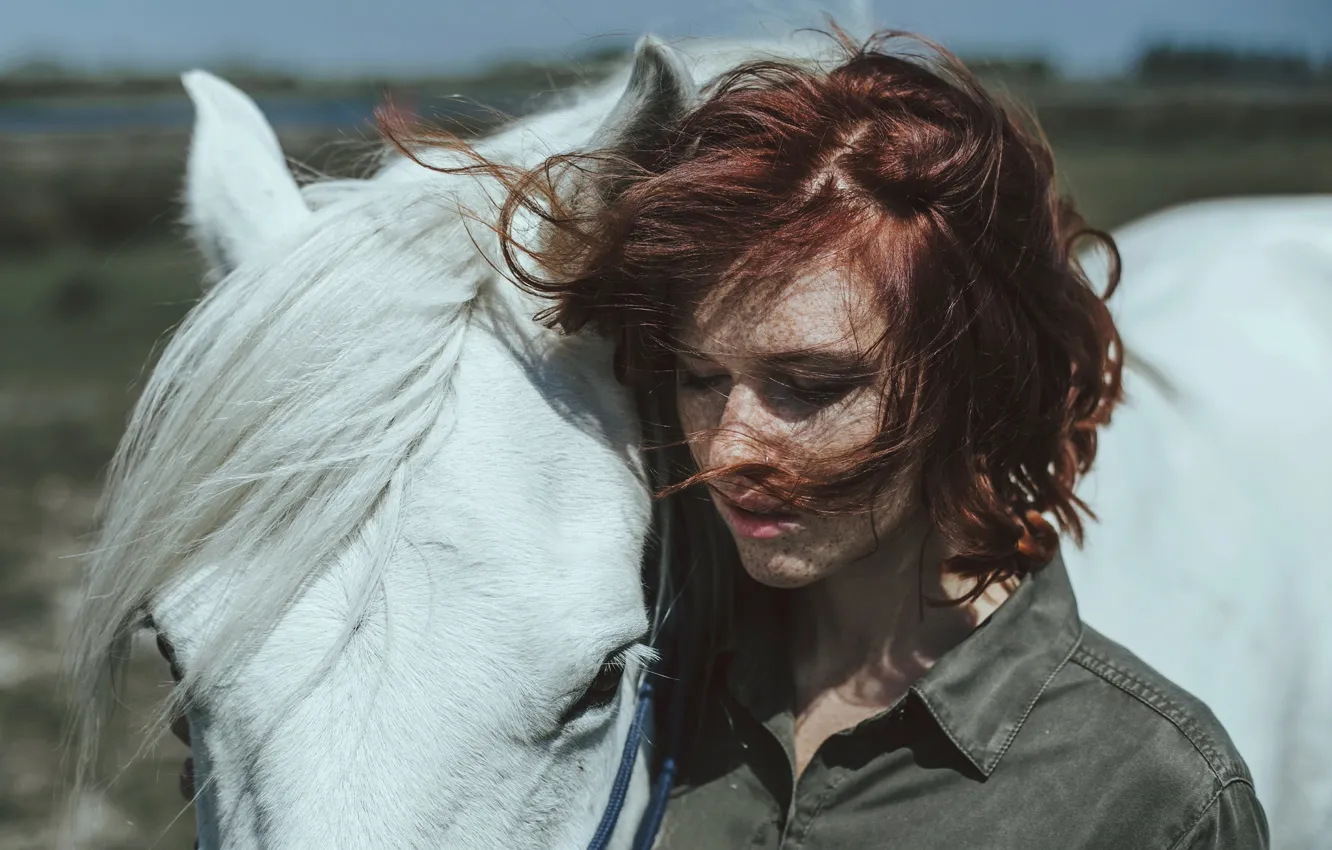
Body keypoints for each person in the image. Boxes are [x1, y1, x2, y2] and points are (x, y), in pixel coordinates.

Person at [168, 31, 1269, 848]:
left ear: (966, 385)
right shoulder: (663, 671)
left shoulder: (1154, 792)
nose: (730, 446)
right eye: (699, 377)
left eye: (811, 384)